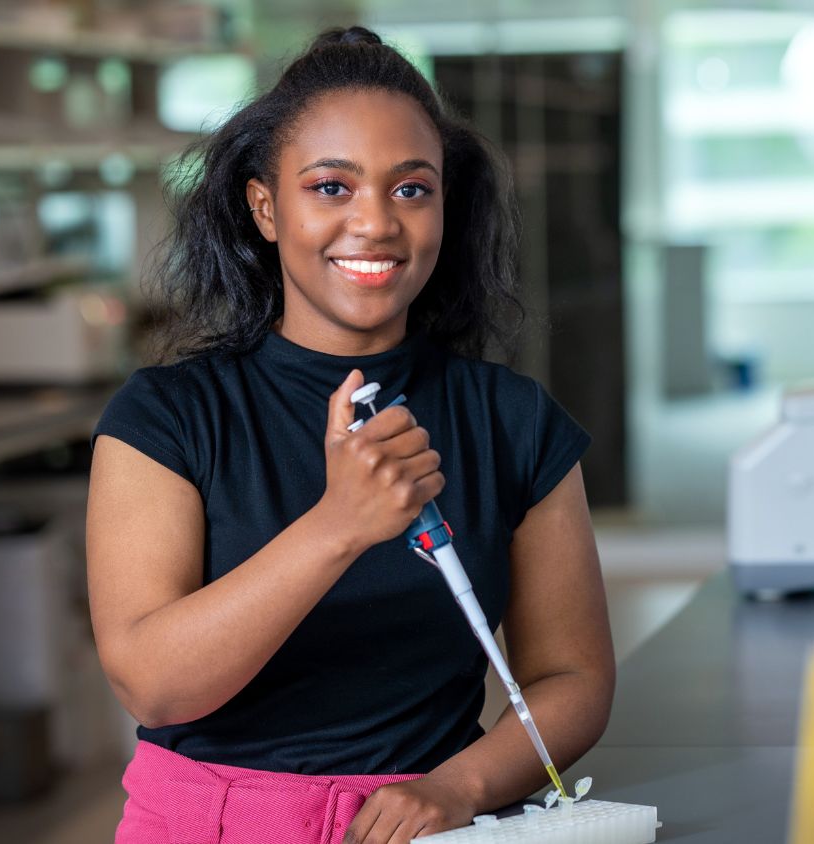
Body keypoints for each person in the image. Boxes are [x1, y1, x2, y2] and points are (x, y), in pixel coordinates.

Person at [86, 26, 615, 844]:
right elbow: (153, 687)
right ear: (265, 207)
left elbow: (571, 675)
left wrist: (456, 787)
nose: (375, 224)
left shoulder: (512, 419)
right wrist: (339, 526)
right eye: (331, 187)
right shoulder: (166, 418)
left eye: (412, 190)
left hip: (428, 827)